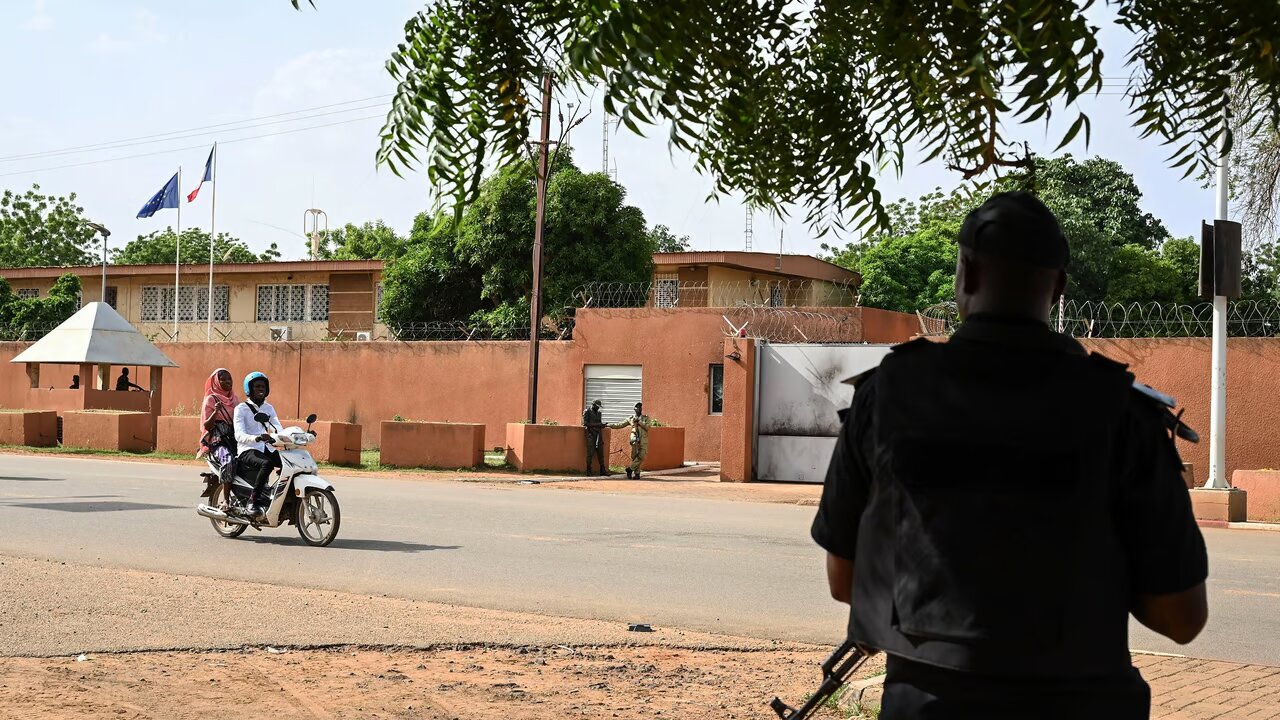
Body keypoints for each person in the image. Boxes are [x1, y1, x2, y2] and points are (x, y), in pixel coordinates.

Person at [810, 191, 1208, 720]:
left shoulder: (886, 395)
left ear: (966, 274)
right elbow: (1181, 618)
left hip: (928, 704)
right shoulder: (1122, 412)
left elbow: (845, 582)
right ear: (1059, 286)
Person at [234, 371, 282, 518]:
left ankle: (275, 494)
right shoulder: (241, 409)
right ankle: (252, 501)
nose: (261, 389)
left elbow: (277, 426)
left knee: (288, 462)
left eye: (263, 386)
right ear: (249, 389)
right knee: (266, 464)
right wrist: (256, 438)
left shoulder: (269, 408)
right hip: (247, 449)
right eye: (257, 386)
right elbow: (239, 435)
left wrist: (285, 436)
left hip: (265, 447)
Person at [197, 368, 237, 465]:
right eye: (223, 379)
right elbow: (207, 426)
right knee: (228, 462)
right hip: (218, 442)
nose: (228, 382)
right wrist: (215, 412)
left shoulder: (234, 399)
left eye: (229, 379)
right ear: (216, 382)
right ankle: (226, 480)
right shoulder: (211, 400)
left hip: (233, 439)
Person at [609, 402, 651, 479]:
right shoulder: (631, 418)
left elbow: (648, 427)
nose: (639, 409)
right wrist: (610, 425)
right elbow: (620, 424)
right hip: (634, 439)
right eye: (637, 407)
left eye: (640, 407)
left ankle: (630, 469)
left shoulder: (645, 418)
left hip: (643, 440)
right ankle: (637, 474)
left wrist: (639, 422)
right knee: (635, 456)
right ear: (634, 409)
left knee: (642, 456)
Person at [583, 399, 607, 476]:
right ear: (593, 405)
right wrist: (598, 425)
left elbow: (599, 423)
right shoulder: (587, 411)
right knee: (590, 453)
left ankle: (602, 470)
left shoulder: (599, 413)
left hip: (599, 435)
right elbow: (585, 423)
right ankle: (588, 470)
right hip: (591, 435)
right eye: (597, 407)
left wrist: (602, 425)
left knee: (601, 453)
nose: (598, 408)